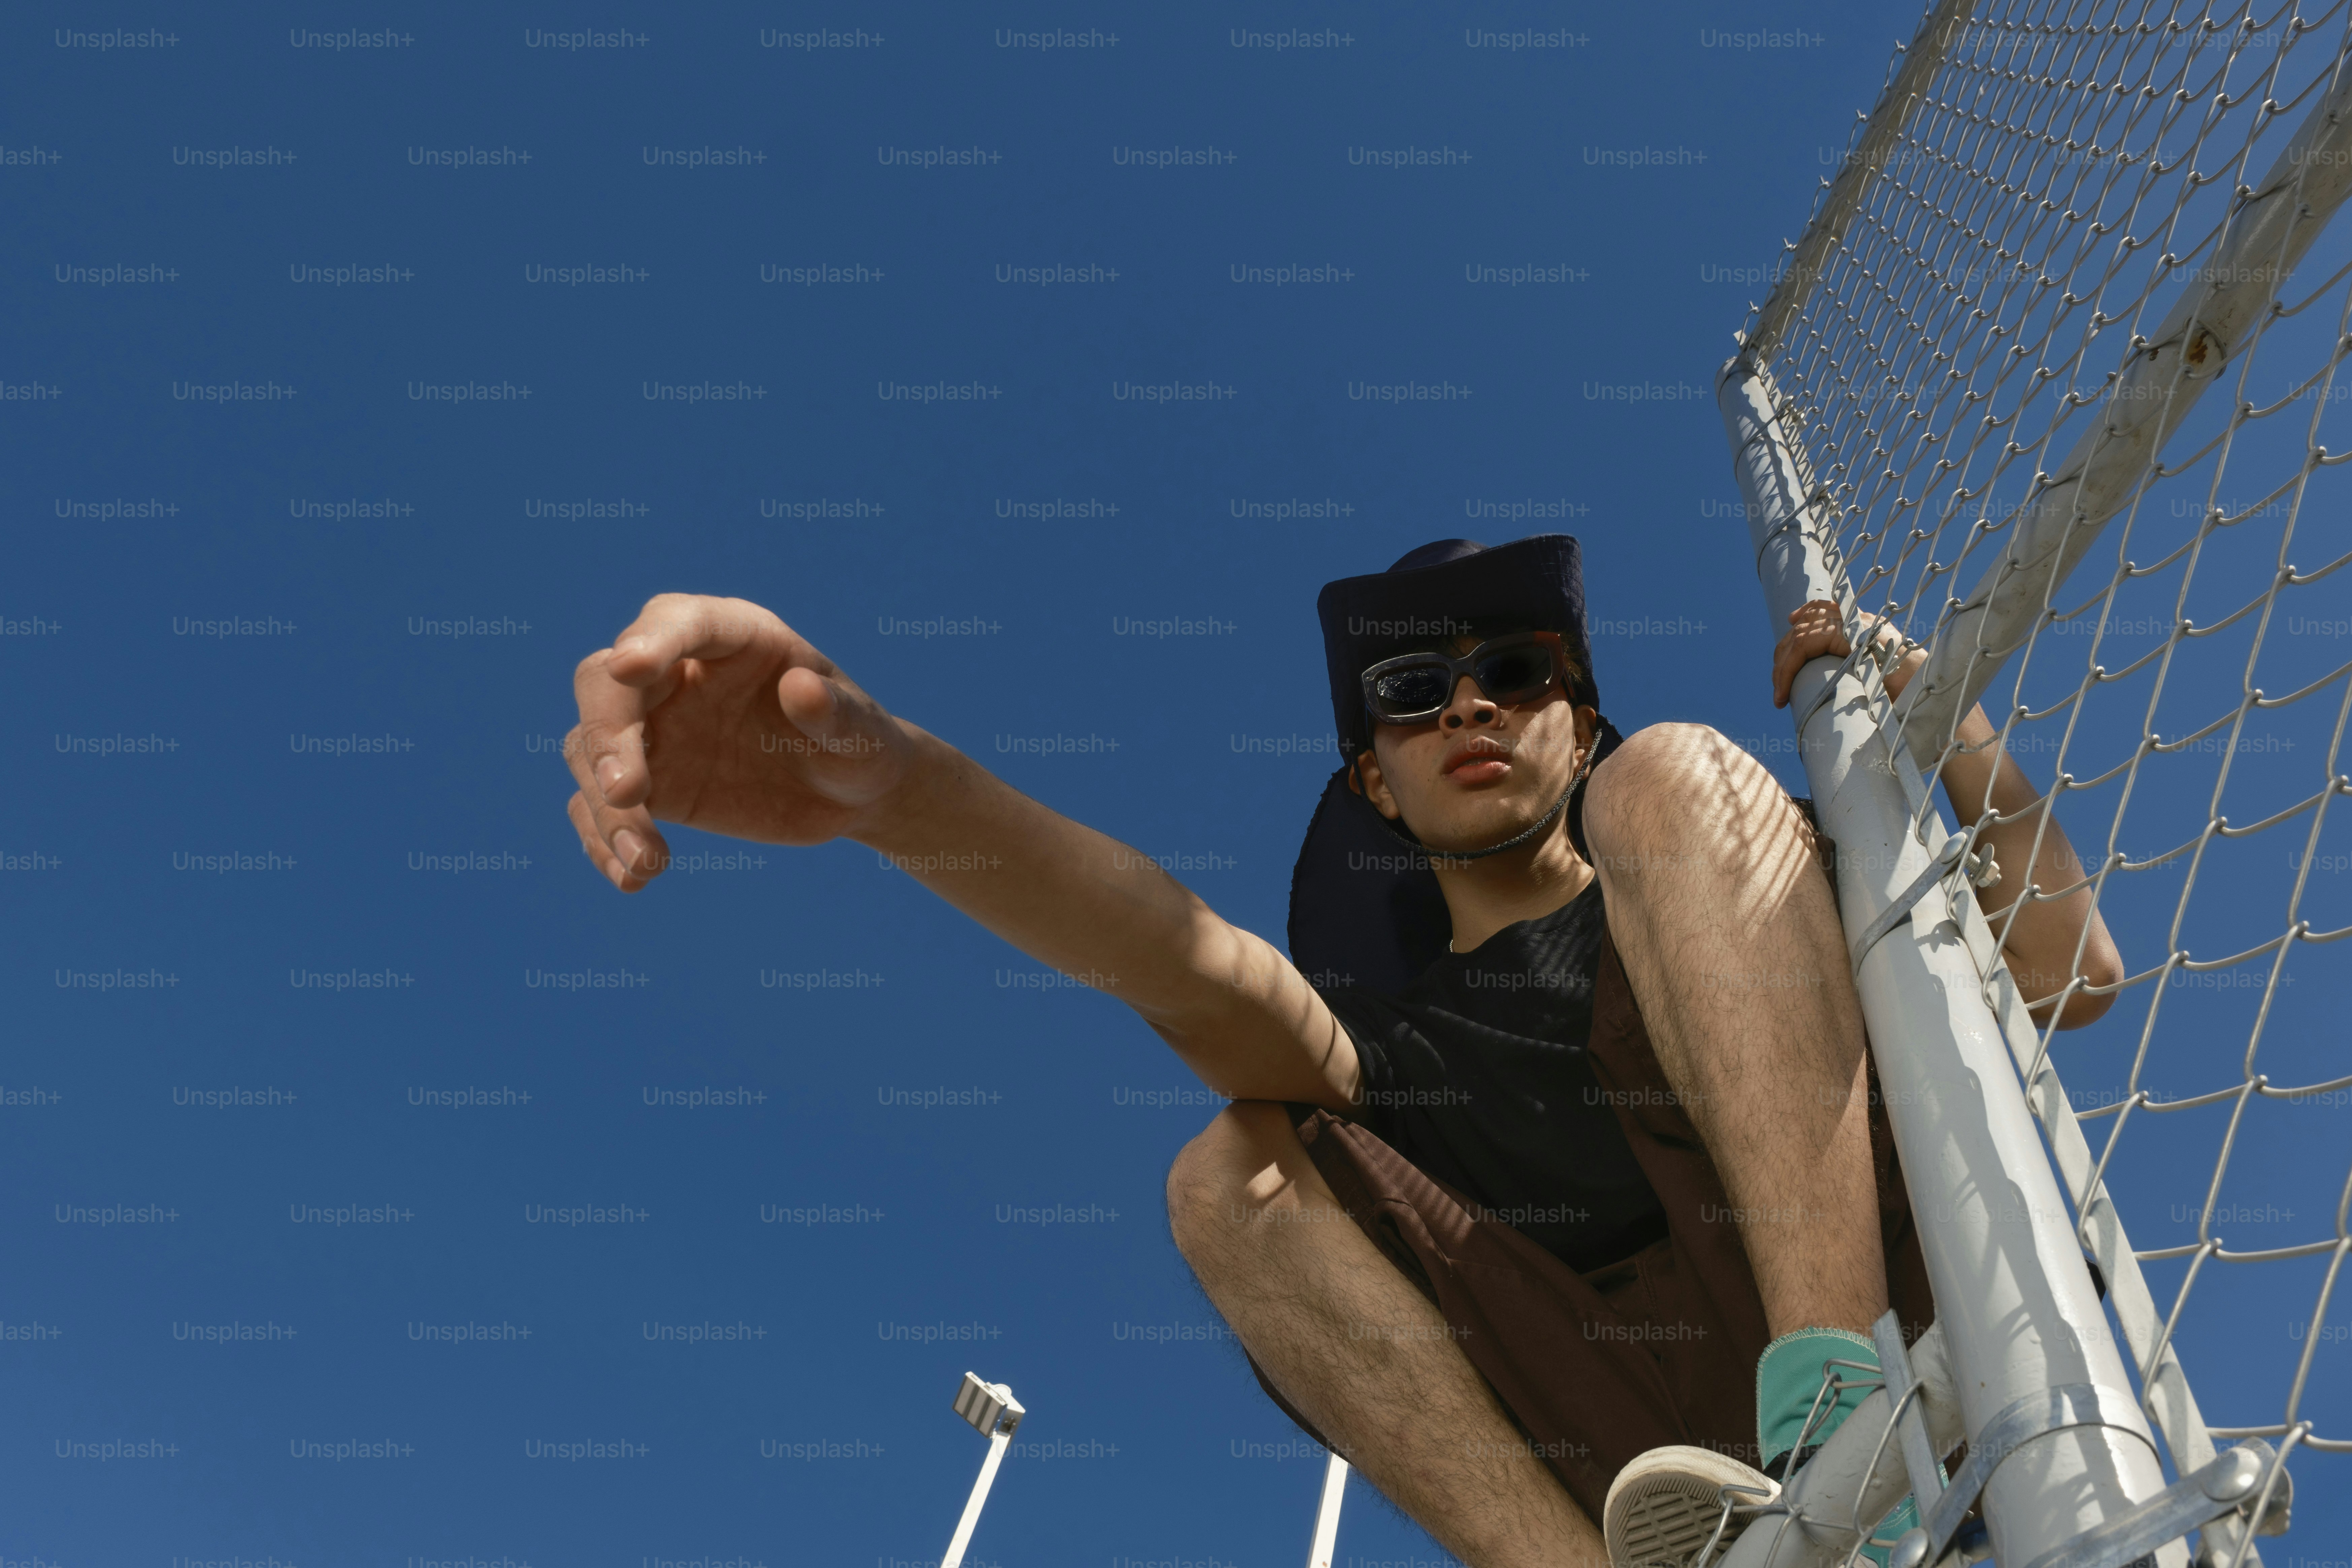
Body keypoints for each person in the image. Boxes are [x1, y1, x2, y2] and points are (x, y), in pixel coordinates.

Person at [561, 535, 2120, 1568]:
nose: (1469, 705)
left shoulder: (1725, 840)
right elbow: (1181, 958)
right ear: (1374, 782)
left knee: (1686, 781)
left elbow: (2075, 971)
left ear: (1572, 712)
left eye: (1516, 672)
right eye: (1410, 693)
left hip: (1886, 1342)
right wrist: (899, 794)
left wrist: (1935, 721)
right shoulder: (1393, 1040)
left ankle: (1854, 1432)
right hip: (1642, 1459)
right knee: (1224, 1168)